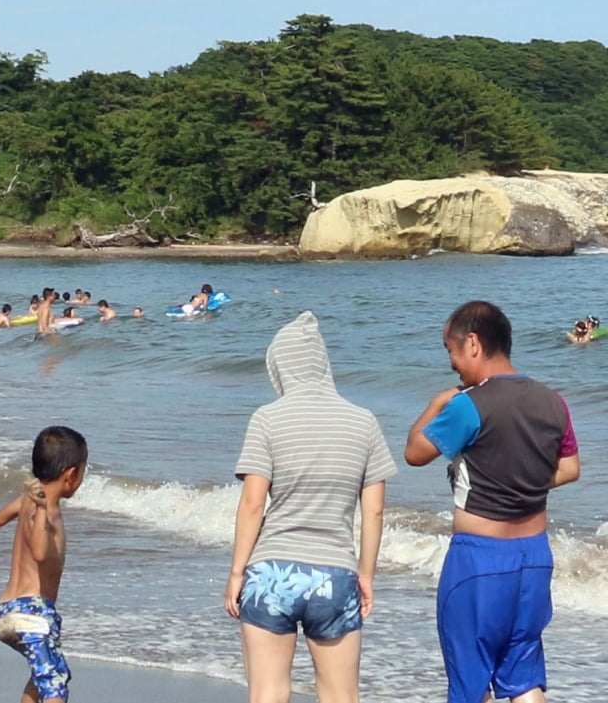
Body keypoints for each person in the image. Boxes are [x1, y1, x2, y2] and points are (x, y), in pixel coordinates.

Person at [405, 301, 579, 703]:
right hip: (534, 557)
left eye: (450, 350)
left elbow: (415, 453)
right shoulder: (554, 401)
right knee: (524, 675)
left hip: (479, 559)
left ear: (472, 344)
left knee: (470, 677)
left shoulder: (468, 404)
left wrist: (437, 402)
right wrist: (524, 481)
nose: (452, 362)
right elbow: (570, 470)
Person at [225, 311, 396, 703]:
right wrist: (365, 575)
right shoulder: (363, 422)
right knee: (340, 697)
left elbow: (252, 504)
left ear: (280, 367)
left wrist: (237, 572)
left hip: (271, 572)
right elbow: (374, 512)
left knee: (267, 693)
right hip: (334, 574)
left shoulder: (267, 419)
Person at [0, 426, 88, 703]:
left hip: (6, 611)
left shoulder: (27, 500)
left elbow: (1, 514)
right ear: (71, 475)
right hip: (33, 614)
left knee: (48, 673)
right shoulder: (46, 510)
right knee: (54, 685)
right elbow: (40, 552)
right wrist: (42, 511)